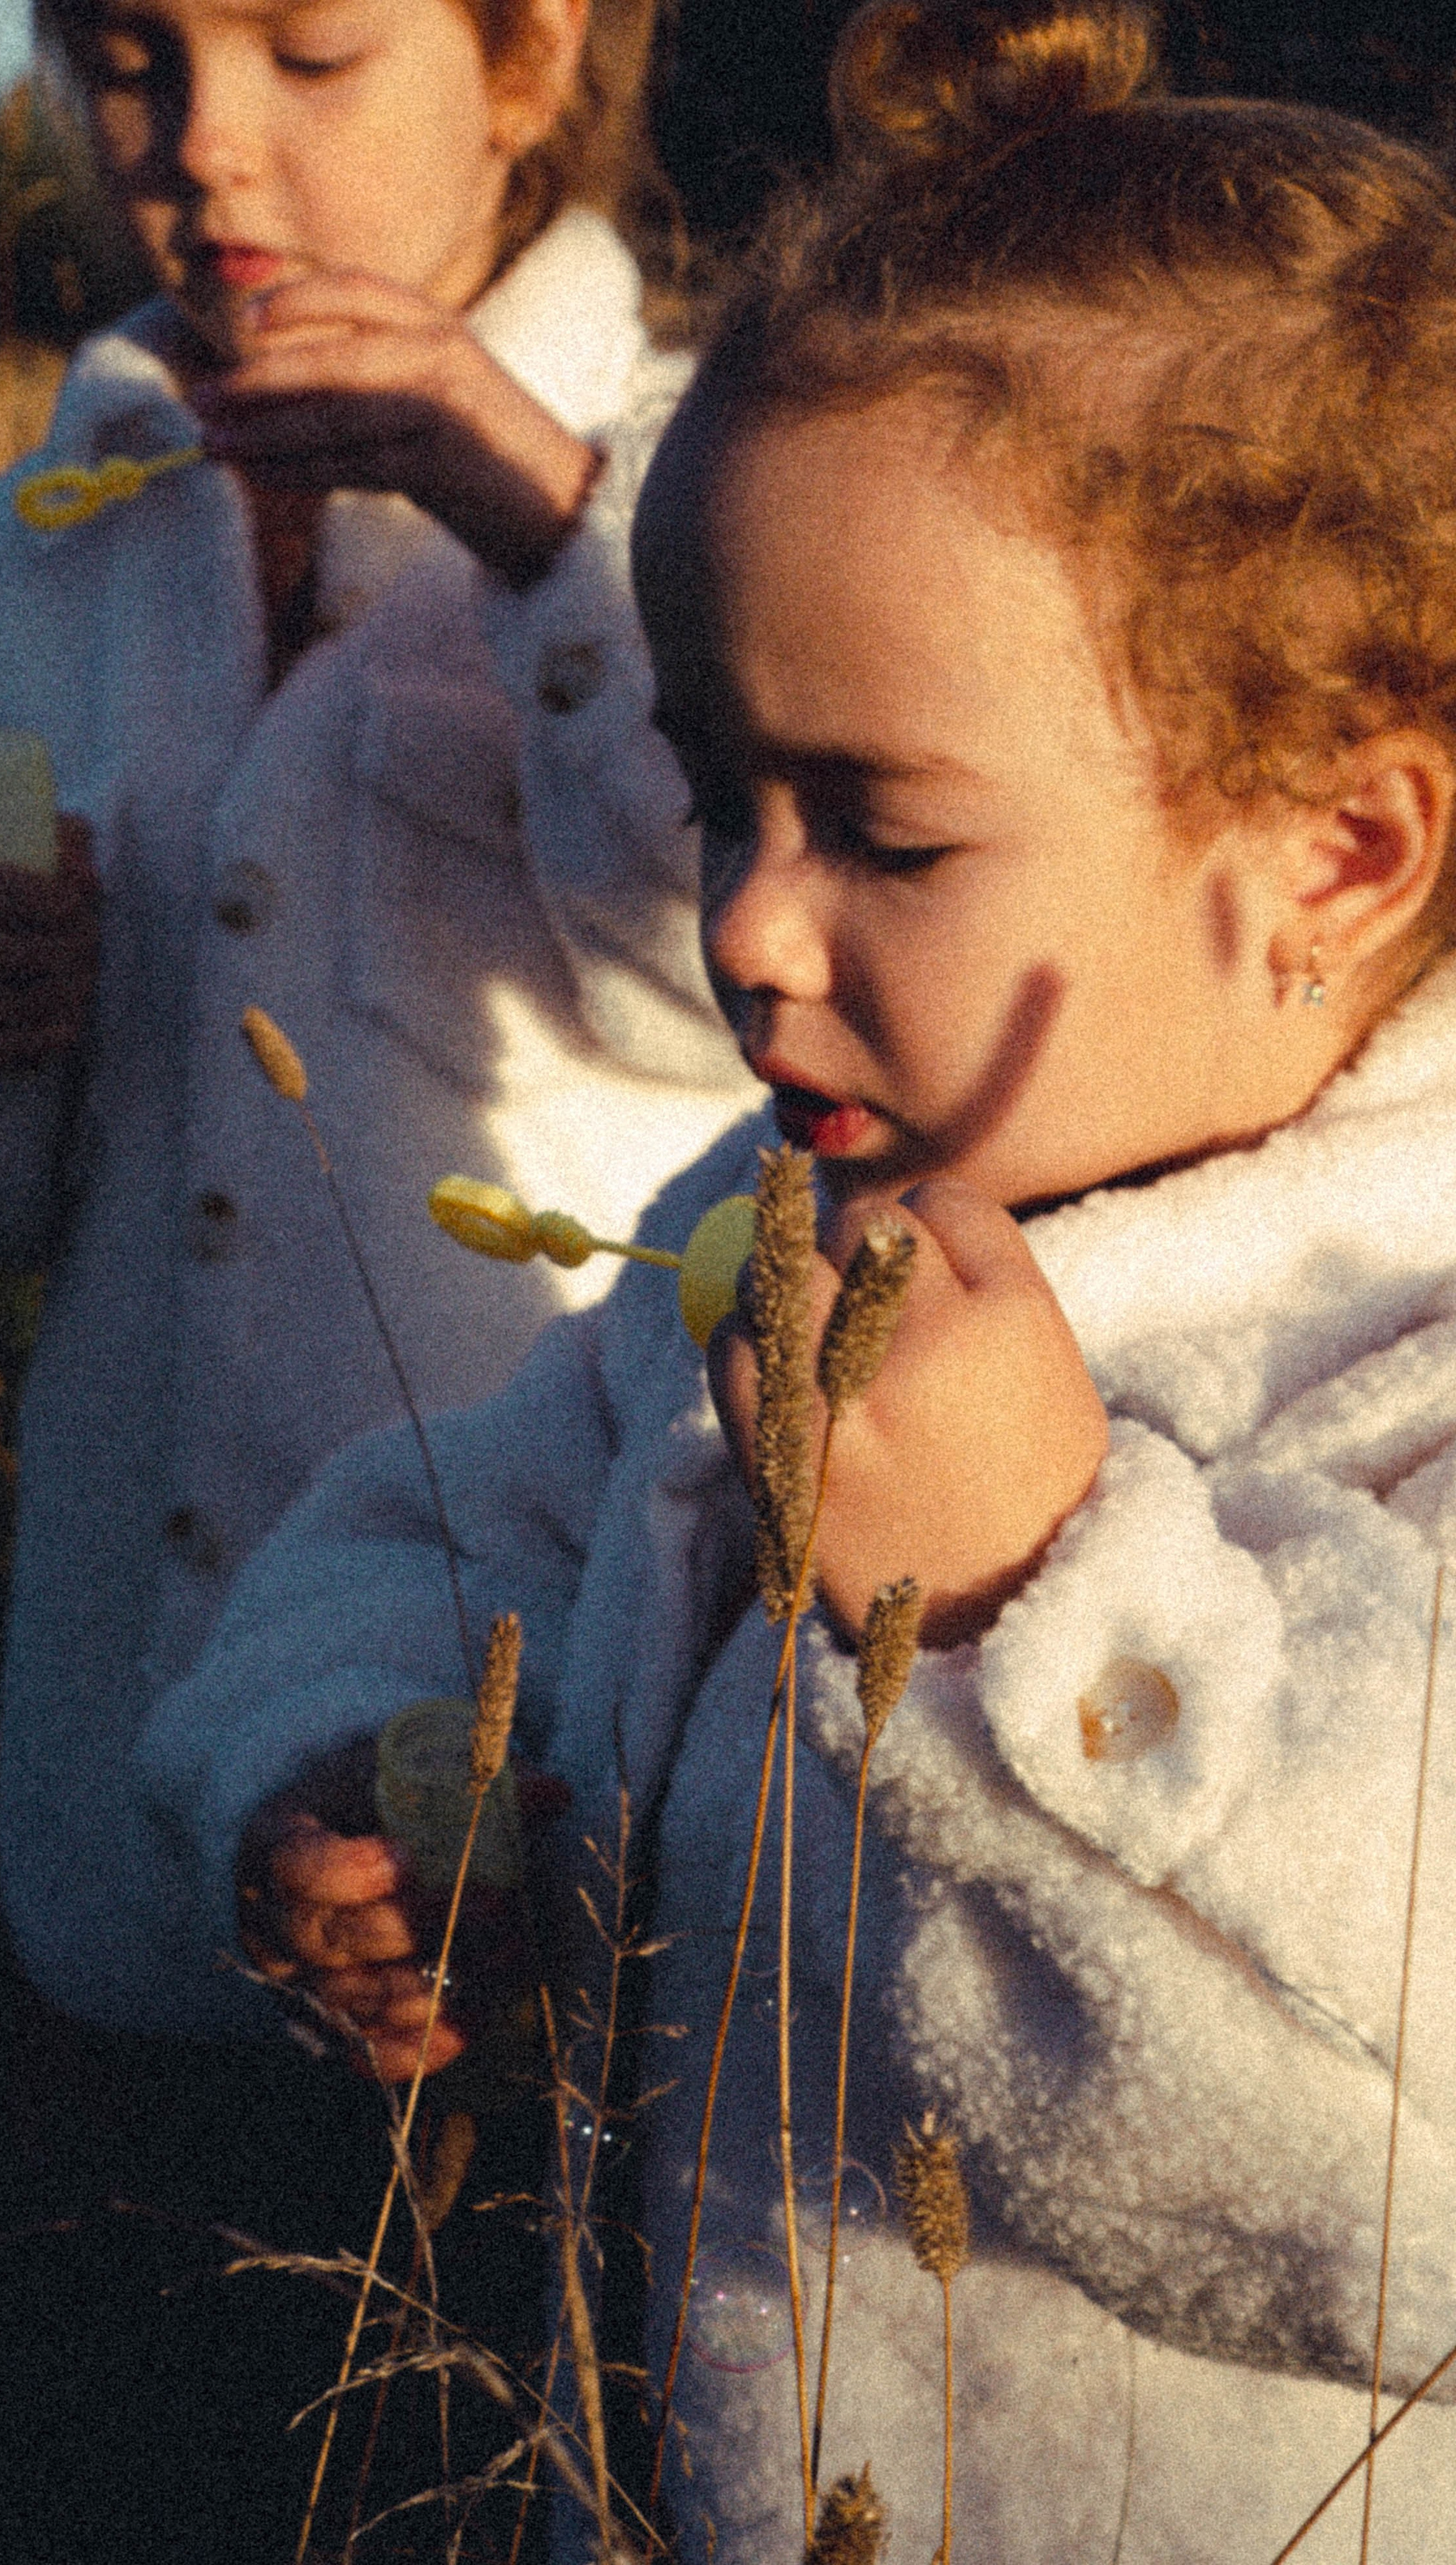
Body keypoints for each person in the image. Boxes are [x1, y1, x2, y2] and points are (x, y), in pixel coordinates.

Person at [138, 3, 1456, 2554]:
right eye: (717, 790)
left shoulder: (1395, 1344)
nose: (746, 924)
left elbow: (1408, 2190)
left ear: (1337, 851)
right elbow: (455, 1519)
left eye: (882, 830)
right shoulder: (773, 1230)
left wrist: (1022, 1607)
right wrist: (361, 1775)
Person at [0, 0, 758, 2031]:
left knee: (525, 2182)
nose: (201, 141)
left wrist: (553, 535)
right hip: (125, 1788)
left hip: (559, 1724)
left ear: (530, 60)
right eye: (136, 58)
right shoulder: (58, 537)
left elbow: (765, 973)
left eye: (307, 54)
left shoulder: (712, 480)